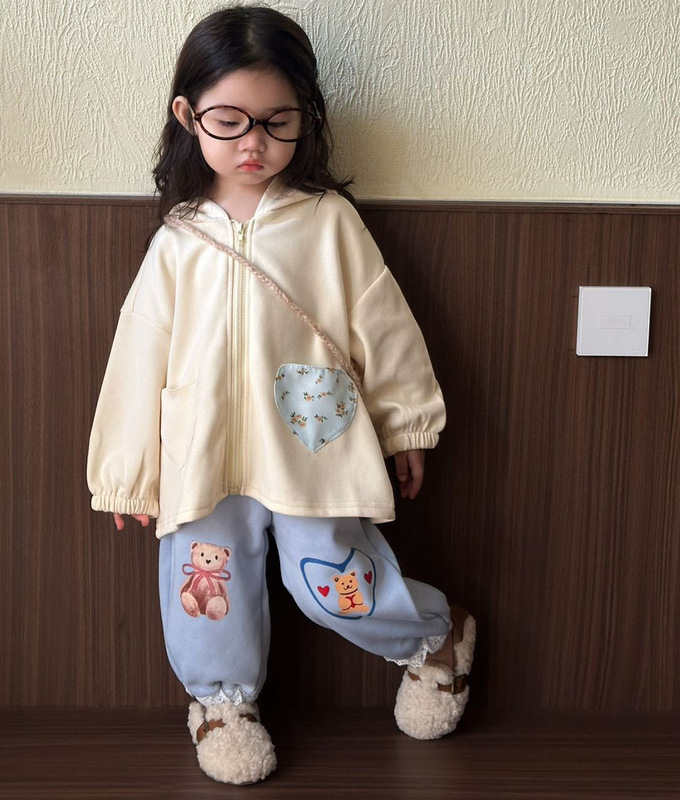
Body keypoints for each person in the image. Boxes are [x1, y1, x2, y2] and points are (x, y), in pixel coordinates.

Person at [86, 4, 476, 786]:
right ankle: (222, 705)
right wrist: (127, 469)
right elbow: (138, 352)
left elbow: (381, 323)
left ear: (307, 119)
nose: (253, 143)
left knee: (333, 585)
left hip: (309, 444)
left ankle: (435, 635)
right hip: (202, 454)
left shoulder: (329, 223)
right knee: (207, 590)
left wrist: (406, 426)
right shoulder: (179, 237)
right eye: (229, 121)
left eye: (277, 122)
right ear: (187, 116)